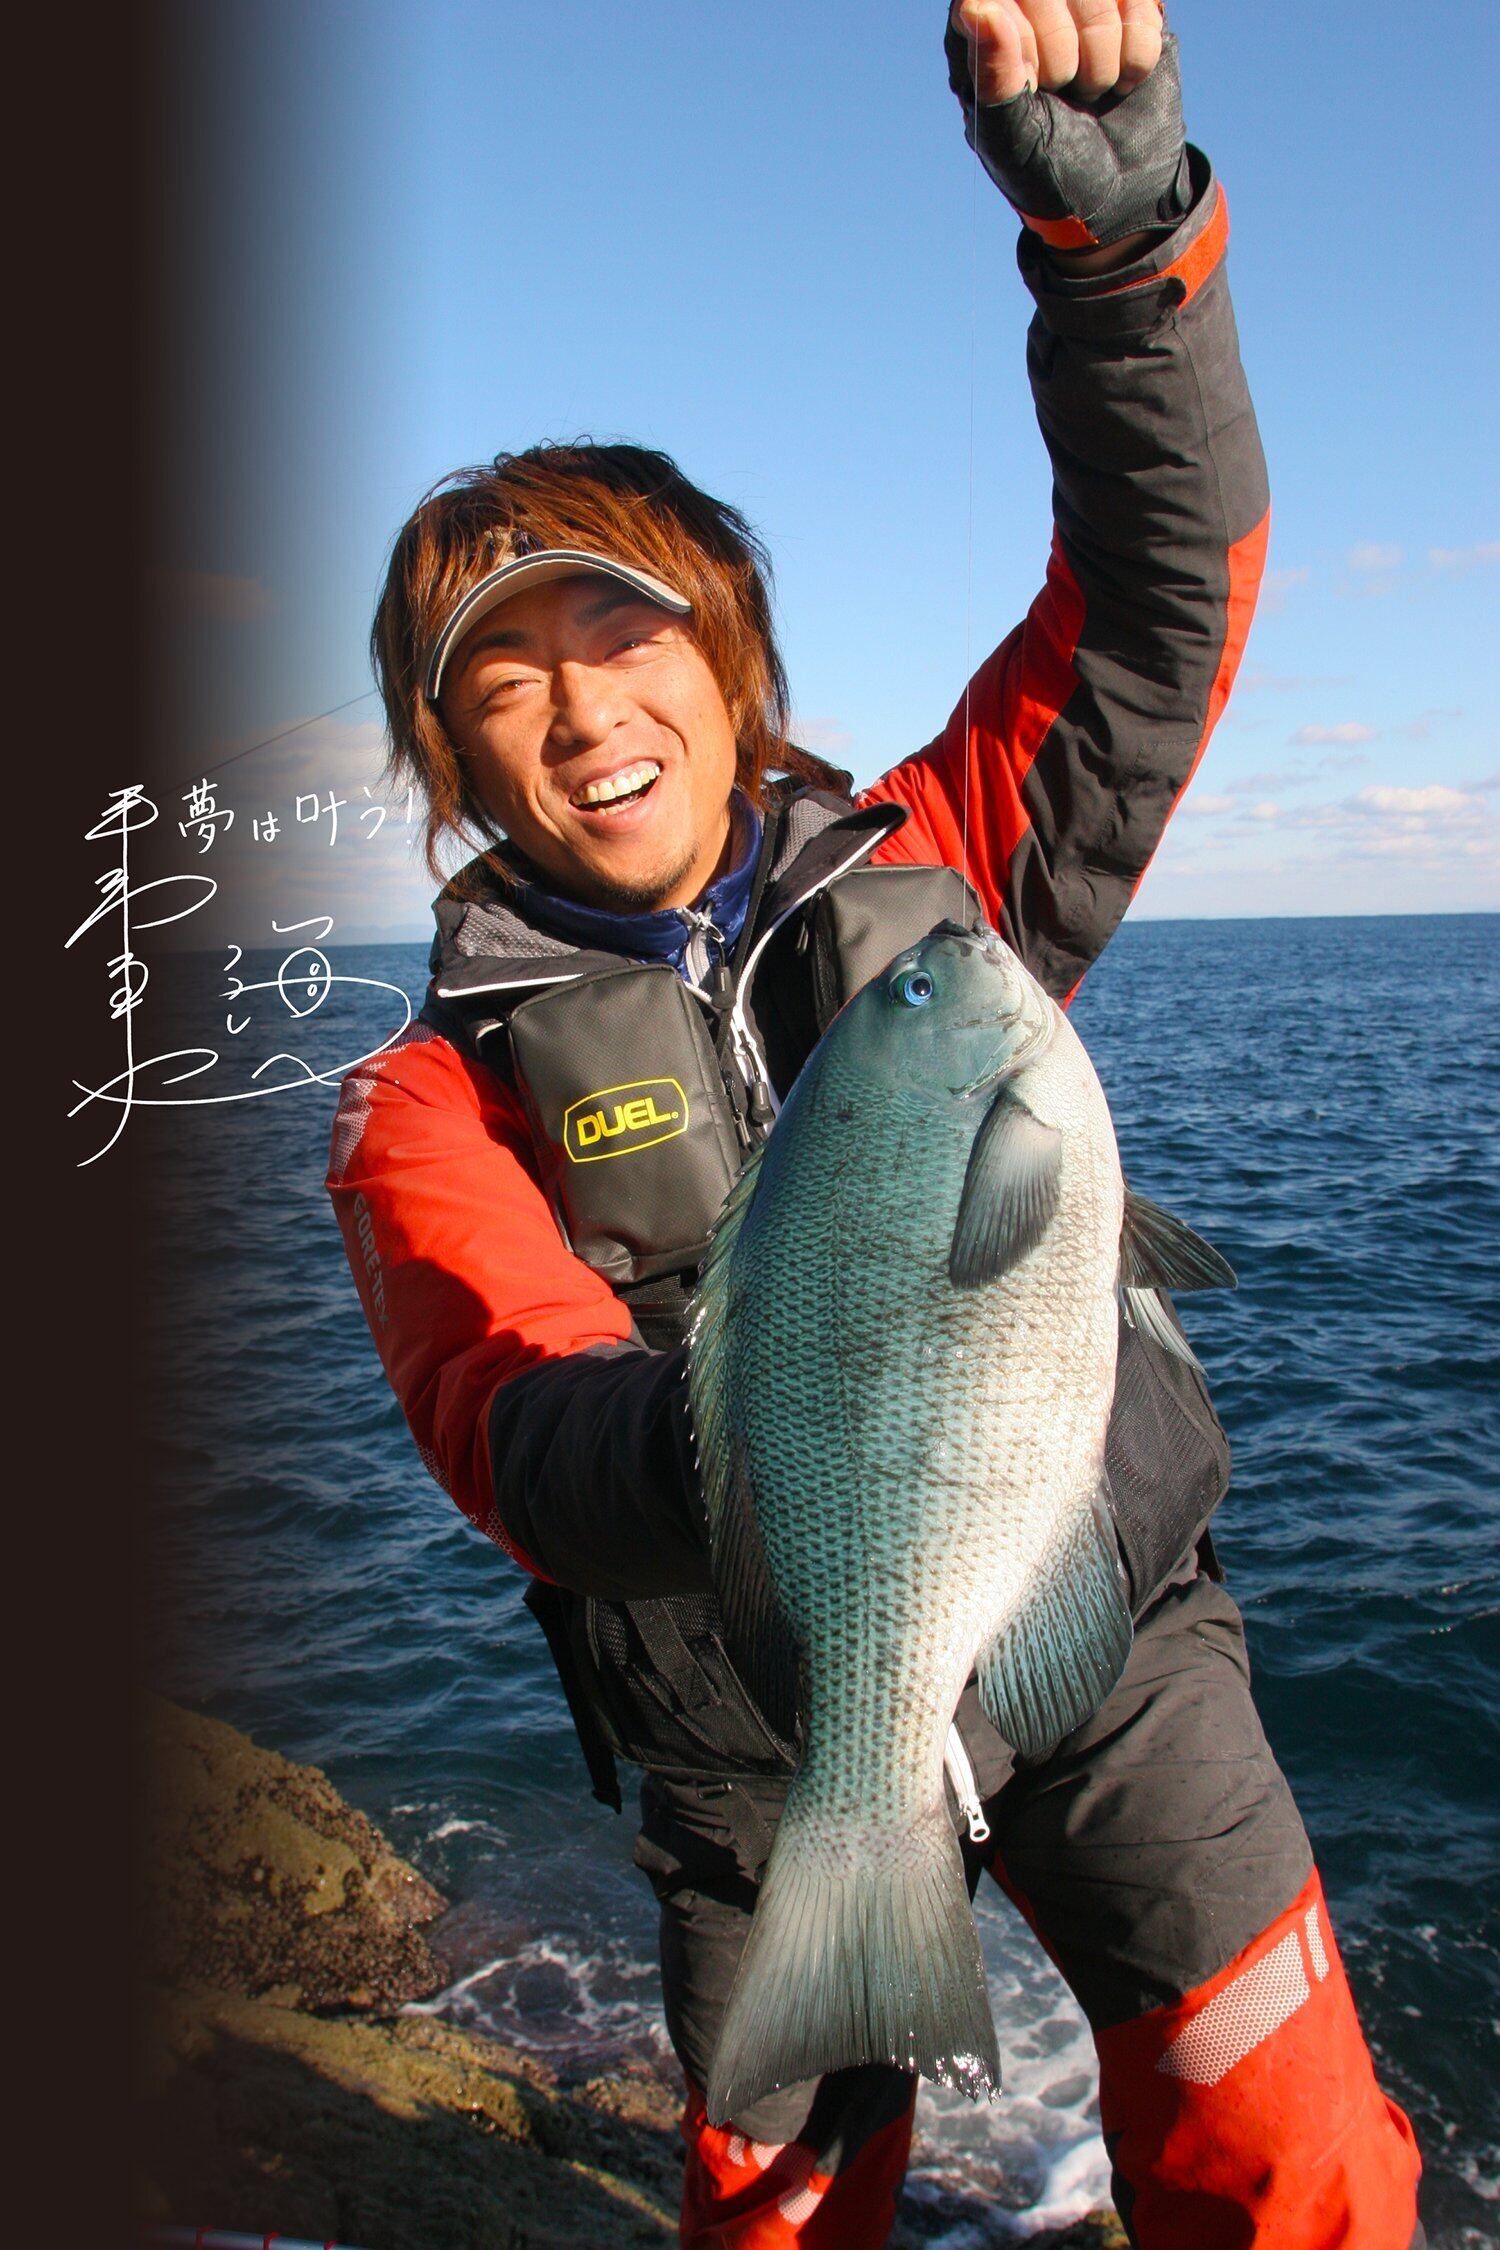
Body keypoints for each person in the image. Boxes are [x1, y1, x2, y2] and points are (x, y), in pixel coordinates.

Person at [328, 6, 1425, 2242]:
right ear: (452, 762)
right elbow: (510, 1418)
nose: (581, 708)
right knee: (791, 2207)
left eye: (623, 633)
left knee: (1293, 2148)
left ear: (729, 657)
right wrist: (781, 1446)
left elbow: (1162, 592)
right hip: (754, 1737)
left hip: (1107, 1644)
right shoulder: (425, 1099)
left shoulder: (945, 867)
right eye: (500, 684)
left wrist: (1119, 238)